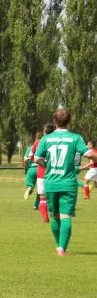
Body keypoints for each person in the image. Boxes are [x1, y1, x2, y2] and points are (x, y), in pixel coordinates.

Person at [33, 109, 97, 256]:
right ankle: (62, 248)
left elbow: (36, 159)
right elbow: (90, 155)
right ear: (69, 121)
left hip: (50, 182)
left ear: (54, 121)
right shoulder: (75, 138)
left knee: (54, 215)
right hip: (68, 183)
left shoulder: (46, 139)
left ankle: (59, 245)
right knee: (66, 216)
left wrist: (47, 166)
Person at [28, 124, 55, 222]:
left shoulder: (38, 142)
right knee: (53, 196)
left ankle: (45, 218)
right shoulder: (57, 143)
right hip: (54, 173)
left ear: (44, 132)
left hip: (41, 173)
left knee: (42, 196)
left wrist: (41, 162)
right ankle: (53, 215)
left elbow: (31, 156)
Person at [23, 134, 41, 205]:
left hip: (31, 169)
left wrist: (25, 169)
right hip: (40, 169)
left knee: (30, 186)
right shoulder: (43, 148)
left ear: (35, 139)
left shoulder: (30, 148)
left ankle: (29, 189)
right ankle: (36, 205)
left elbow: (25, 160)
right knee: (41, 189)